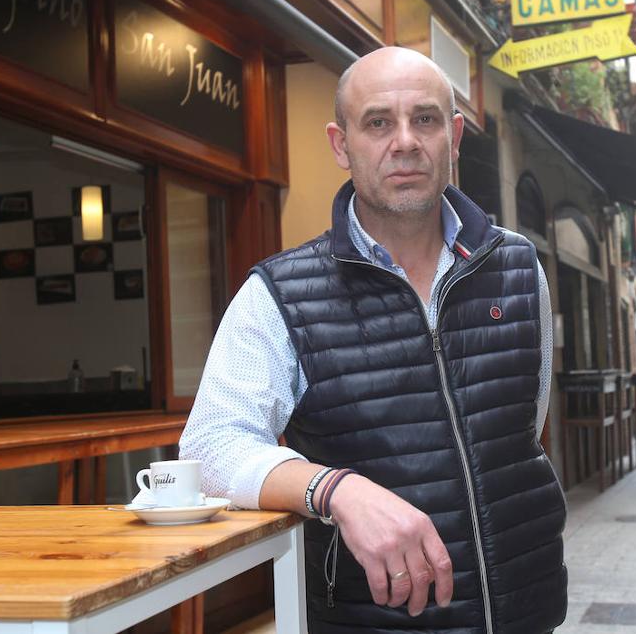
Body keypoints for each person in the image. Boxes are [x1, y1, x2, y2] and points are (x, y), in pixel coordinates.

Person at [179, 47, 567, 633]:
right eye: (379, 122)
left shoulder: (517, 267)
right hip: (374, 621)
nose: (405, 141)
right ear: (341, 144)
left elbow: (526, 427)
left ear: (455, 136)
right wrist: (336, 489)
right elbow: (209, 447)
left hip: (525, 611)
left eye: (427, 119)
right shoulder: (280, 293)